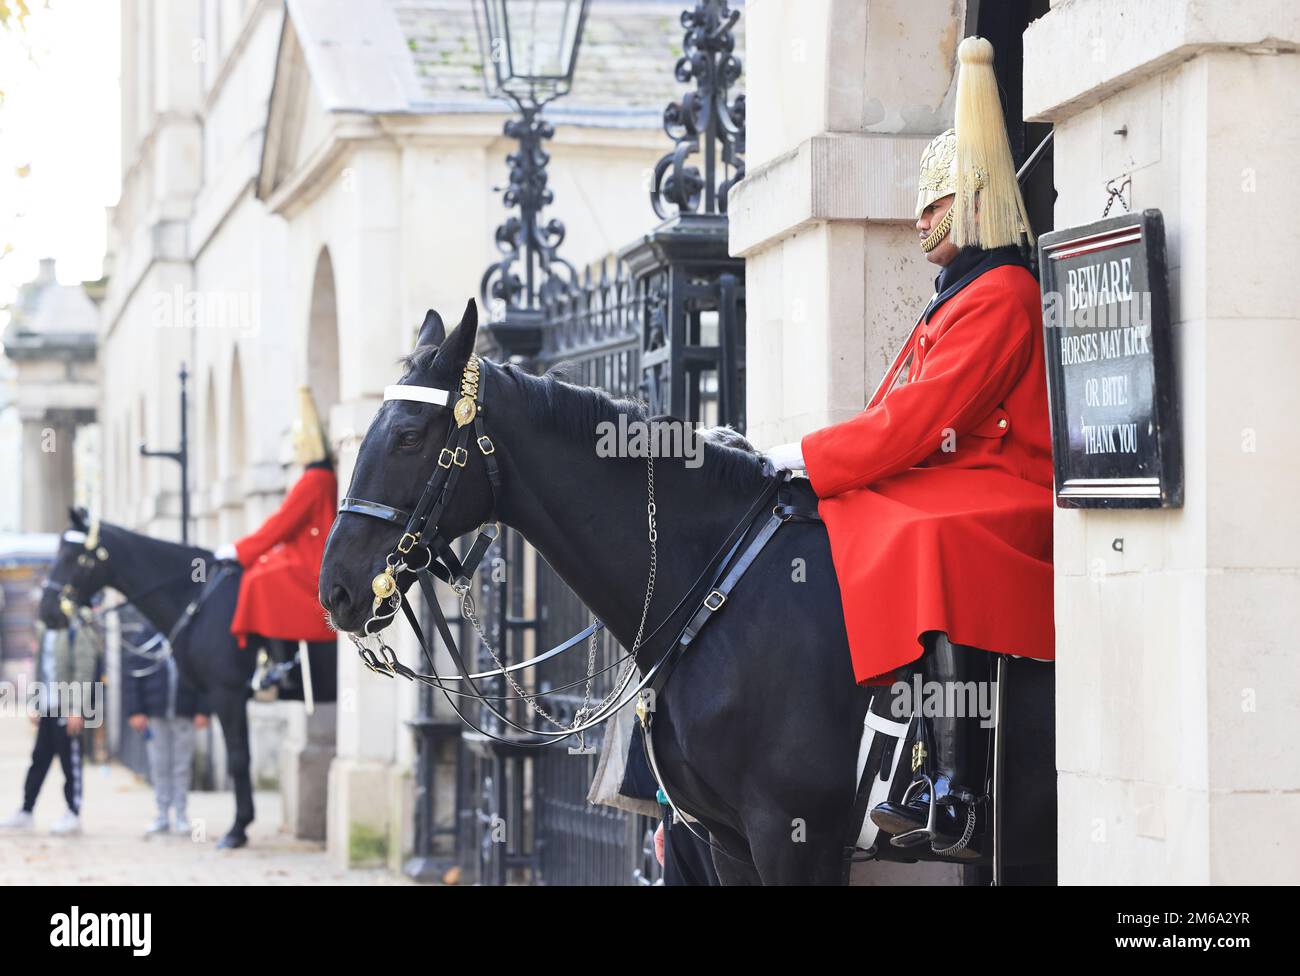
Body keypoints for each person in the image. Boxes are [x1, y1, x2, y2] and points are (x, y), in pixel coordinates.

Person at [765, 36, 1053, 859]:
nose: (918, 219)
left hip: (1015, 483)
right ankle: (892, 743)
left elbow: (922, 419)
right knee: (863, 511)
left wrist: (808, 455)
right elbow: (897, 409)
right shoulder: (957, 295)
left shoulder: (1002, 294)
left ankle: (953, 789)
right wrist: (825, 468)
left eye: (935, 204)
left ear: (972, 204)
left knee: (927, 534)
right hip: (968, 470)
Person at [213, 386, 338, 701]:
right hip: (312, 553)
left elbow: (280, 525)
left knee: (258, 580)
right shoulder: (319, 478)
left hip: (312, 560)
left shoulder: (313, 481)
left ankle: (275, 663)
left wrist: (240, 551)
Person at [0, 607, 97, 835]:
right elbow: (41, 673)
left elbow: (84, 672)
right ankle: (26, 811)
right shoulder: (45, 631)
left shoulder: (76, 630)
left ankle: (73, 813)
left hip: (66, 709)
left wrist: (76, 709)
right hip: (47, 708)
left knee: (69, 763)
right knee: (39, 760)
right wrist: (35, 704)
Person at [119, 608, 210, 835]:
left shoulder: (187, 634)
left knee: (181, 766)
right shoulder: (145, 637)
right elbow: (132, 676)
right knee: (159, 765)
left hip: (184, 713)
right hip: (155, 715)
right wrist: (135, 711)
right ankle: (162, 814)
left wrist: (203, 710)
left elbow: (203, 674)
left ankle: (181, 814)